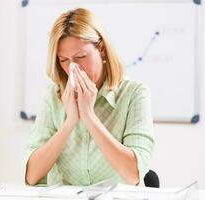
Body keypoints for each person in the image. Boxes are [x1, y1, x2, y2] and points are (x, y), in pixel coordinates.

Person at [23, 8, 154, 186]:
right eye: (63, 60)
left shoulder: (135, 93)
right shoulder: (53, 95)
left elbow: (133, 175)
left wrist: (88, 115)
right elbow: (32, 176)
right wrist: (70, 122)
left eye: (81, 56)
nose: (73, 68)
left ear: (101, 49)